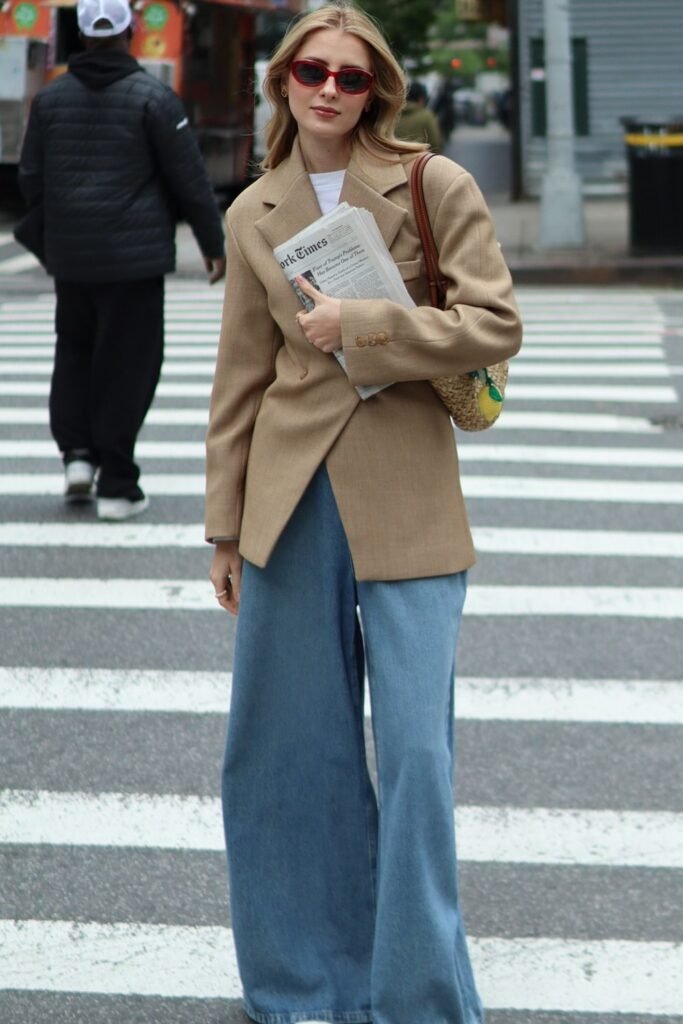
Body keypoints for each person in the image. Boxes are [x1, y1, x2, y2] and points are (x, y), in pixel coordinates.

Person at [206, 3, 521, 1023]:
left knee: (420, 759)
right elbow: (240, 379)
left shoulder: (434, 183)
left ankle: (420, 997)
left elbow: (491, 321)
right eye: (312, 72)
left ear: (375, 87)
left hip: (409, 491)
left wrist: (369, 321)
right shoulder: (253, 208)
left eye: (350, 77)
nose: (329, 90)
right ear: (283, 81)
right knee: (287, 754)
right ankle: (305, 988)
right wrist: (222, 528)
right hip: (287, 500)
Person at [17, 0, 226, 521]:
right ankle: (116, 481)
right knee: (127, 367)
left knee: (75, 355)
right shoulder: (153, 97)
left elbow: (31, 179)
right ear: (131, 31)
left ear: (82, 37)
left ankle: (77, 457)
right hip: (133, 262)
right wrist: (212, 244)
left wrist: (51, 242)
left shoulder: (50, 100)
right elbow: (189, 179)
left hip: (72, 258)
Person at [395, 79, 442, 152]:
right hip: (418, 161)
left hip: (393, 160)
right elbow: (435, 143)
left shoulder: (392, 115)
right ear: (421, 99)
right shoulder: (426, 116)